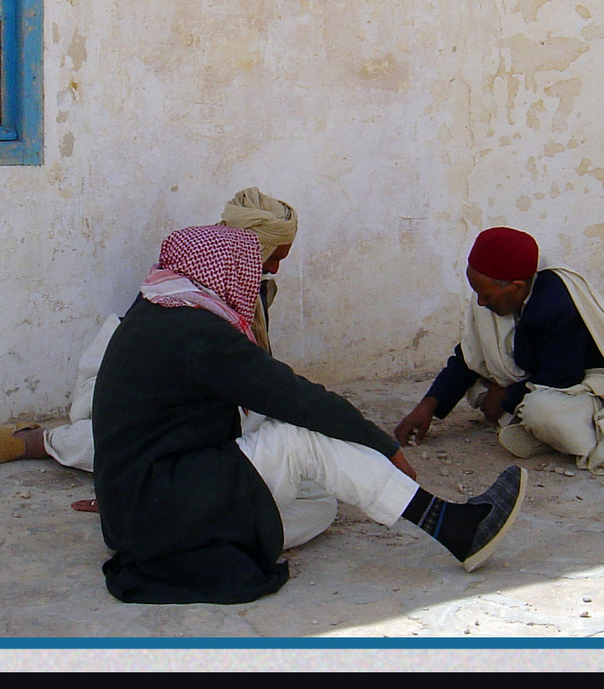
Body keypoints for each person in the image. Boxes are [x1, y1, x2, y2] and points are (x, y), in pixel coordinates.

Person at [91, 225, 526, 604]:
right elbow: (295, 398)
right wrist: (380, 443)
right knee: (301, 438)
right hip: (159, 503)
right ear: (221, 272)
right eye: (248, 271)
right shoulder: (195, 334)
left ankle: (217, 539)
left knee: (319, 501)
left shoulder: (156, 309)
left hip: (140, 508)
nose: (253, 282)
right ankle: (449, 524)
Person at [0, 188, 298, 475]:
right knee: (136, 440)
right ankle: (35, 443)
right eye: (272, 257)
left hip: (198, 396)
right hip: (137, 386)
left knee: (265, 436)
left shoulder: (254, 287)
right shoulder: (188, 276)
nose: (274, 268)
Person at [394, 226, 604, 474]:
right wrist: (427, 407)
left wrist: (505, 398)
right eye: (476, 292)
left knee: (542, 411)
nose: (479, 303)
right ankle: (527, 423)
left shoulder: (554, 304)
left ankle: (572, 434)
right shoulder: (498, 290)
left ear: (516, 287)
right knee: (478, 382)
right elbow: (469, 356)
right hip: (540, 377)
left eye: (486, 295)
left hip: (589, 386)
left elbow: (562, 378)